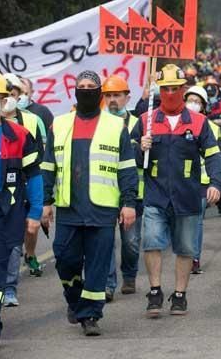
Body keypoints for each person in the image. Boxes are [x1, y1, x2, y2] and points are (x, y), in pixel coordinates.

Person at [42, 70, 138, 336]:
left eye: (90, 86)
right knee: (64, 259)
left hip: (102, 208)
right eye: (80, 86)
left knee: (97, 264)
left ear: (99, 91)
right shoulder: (59, 124)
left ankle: (91, 315)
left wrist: (129, 203)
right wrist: (45, 201)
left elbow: (127, 168)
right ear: (75, 91)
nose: (85, 90)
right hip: (69, 207)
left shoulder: (115, 126)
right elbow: (48, 165)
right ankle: (75, 300)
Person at [132, 64, 221, 318]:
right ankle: (155, 291)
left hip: (188, 195)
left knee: (185, 248)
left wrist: (216, 183)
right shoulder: (145, 121)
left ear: (183, 89)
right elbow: (130, 158)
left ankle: (180, 295)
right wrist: (141, 147)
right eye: (165, 89)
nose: (170, 92)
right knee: (151, 242)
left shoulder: (198, 122)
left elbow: (214, 156)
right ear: (159, 91)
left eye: (175, 88)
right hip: (155, 194)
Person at [0, 70, 43, 356]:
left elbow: (34, 176)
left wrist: (36, 211)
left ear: (5, 101)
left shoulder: (19, 135)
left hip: (3, 211)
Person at [1, 73, 45, 308]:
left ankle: (9, 288)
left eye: (12, 94)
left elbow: (35, 169)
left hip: (16, 195)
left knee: (13, 244)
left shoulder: (26, 128)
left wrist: (37, 209)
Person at [101, 75, 144, 302]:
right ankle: (108, 285)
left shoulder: (139, 123)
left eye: (116, 95)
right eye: (108, 95)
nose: (112, 100)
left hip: (132, 193)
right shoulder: (98, 123)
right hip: (105, 192)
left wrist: (143, 147)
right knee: (106, 241)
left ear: (127, 97)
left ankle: (129, 275)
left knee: (130, 242)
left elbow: (138, 159)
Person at [184, 86, 221, 275]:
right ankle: (185, 251)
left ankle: (194, 258)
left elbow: (219, 157)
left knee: (196, 220)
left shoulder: (214, 129)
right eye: (189, 100)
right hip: (181, 180)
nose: (192, 104)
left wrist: (217, 182)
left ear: (203, 106)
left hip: (202, 180)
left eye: (197, 101)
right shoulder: (178, 123)